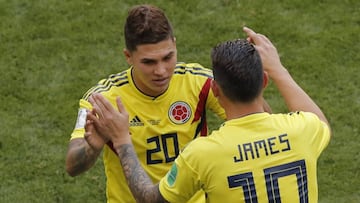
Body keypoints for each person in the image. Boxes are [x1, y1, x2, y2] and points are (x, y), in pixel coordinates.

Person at [86, 26, 331, 203]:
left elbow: (151, 199)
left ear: (215, 89)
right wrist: (278, 68)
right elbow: (319, 120)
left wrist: (121, 140)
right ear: (264, 81)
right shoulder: (302, 130)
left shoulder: (203, 154)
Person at [66, 4, 271, 203]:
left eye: (168, 57)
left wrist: (249, 82)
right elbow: (72, 166)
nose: (161, 71)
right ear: (128, 56)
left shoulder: (199, 82)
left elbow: (262, 123)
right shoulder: (101, 99)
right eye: (149, 62)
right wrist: (93, 146)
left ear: (174, 44)